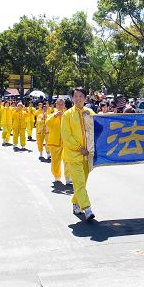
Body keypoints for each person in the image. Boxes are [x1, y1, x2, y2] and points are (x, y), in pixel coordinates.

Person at [61, 87, 96, 220]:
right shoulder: (67, 115)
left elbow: (98, 128)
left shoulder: (90, 112)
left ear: (85, 98)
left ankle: (76, 203)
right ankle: (87, 209)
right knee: (80, 183)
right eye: (75, 96)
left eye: (81, 96)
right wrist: (79, 148)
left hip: (87, 156)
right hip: (73, 155)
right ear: (72, 98)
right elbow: (66, 135)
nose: (78, 98)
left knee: (81, 183)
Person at [46, 98, 71, 183]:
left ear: (64, 105)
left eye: (62, 104)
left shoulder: (68, 114)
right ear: (56, 105)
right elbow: (48, 123)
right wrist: (55, 116)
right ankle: (57, 176)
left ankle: (68, 177)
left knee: (68, 160)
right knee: (55, 161)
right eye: (58, 104)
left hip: (66, 142)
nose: (60, 106)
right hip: (55, 142)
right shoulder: (52, 114)